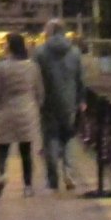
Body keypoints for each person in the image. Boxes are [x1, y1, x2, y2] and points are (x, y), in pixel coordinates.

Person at [0, 30, 42, 198]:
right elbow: (39, 90)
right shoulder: (32, 66)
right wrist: (37, 105)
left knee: (3, 146)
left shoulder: (2, 67)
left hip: (6, 110)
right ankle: (28, 185)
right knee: (26, 150)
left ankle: (2, 173)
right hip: (26, 109)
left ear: (9, 47)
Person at [34, 20, 85, 191]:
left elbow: (35, 78)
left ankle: (52, 177)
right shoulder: (75, 52)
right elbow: (80, 79)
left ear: (50, 31)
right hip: (69, 99)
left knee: (50, 138)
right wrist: (81, 99)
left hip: (47, 100)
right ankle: (68, 169)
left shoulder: (40, 52)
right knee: (68, 136)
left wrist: (35, 97)